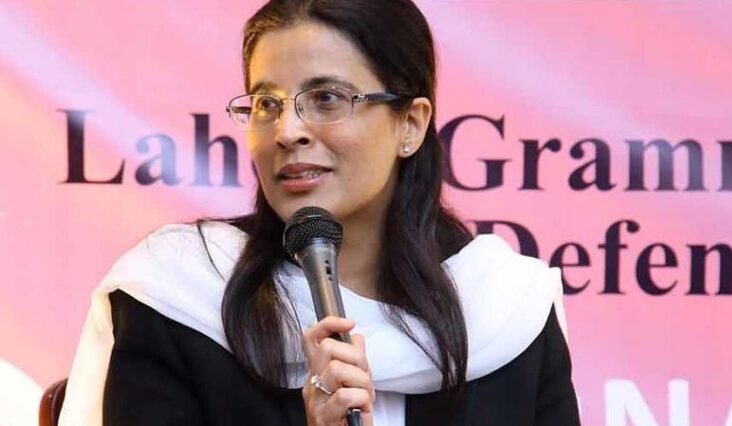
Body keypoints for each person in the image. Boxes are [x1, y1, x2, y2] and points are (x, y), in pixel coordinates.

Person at [60, 0, 581, 425]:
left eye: (327, 98)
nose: (287, 131)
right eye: (266, 105)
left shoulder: (503, 307)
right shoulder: (181, 293)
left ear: (410, 125)